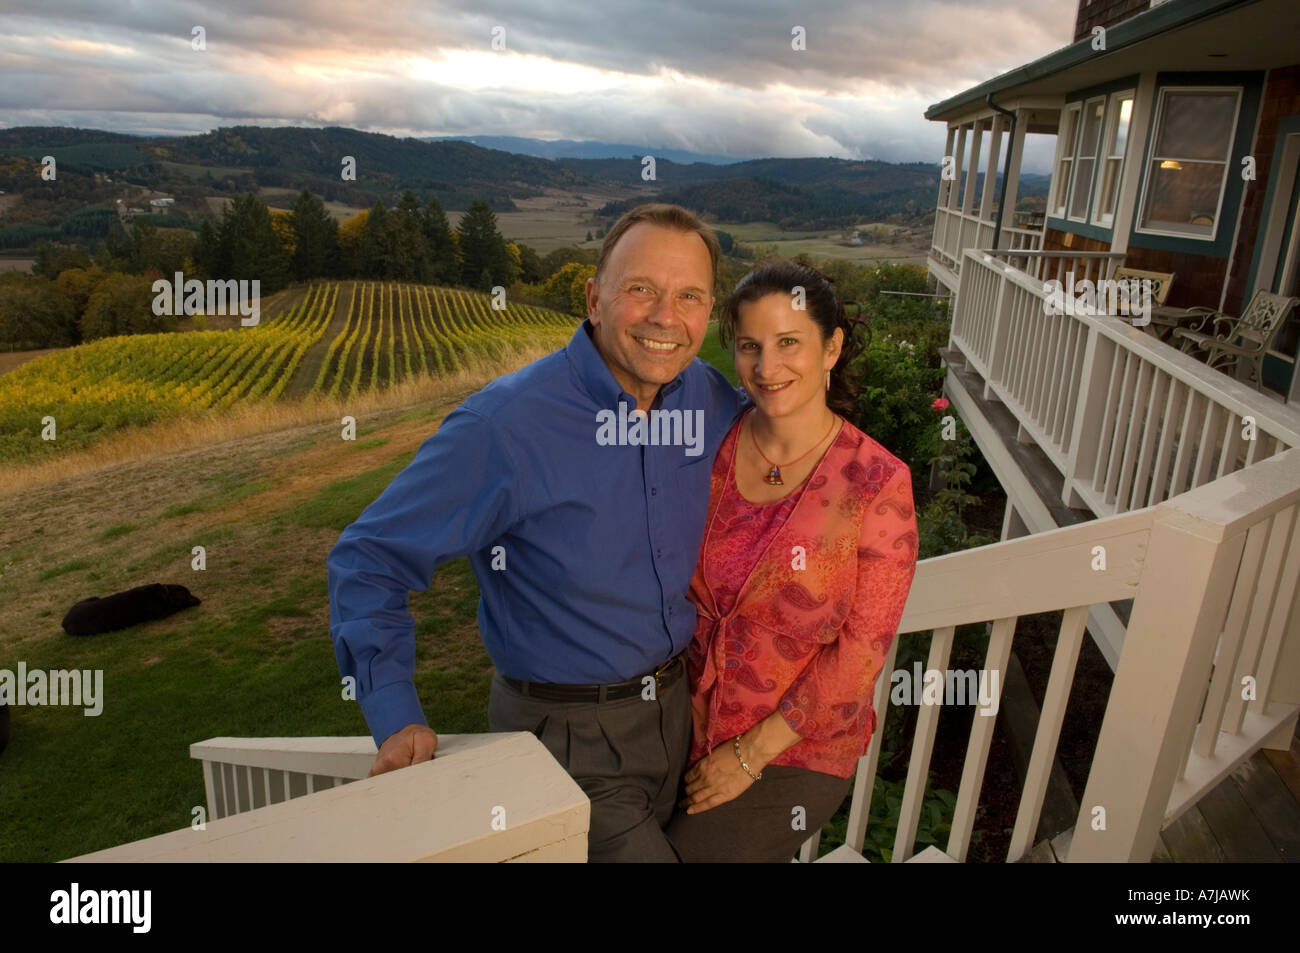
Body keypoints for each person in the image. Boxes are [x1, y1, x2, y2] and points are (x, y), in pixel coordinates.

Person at [327, 203, 746, 862]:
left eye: (689, 295)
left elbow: (789, 441)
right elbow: (369, 557)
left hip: (682, 714)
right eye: (641, 289)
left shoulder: (707, 396)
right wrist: (394, 707)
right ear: (594, 298)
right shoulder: (506, 426)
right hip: (566, 738)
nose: (667, 316)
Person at [664, 260, 919, 862]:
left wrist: (748, 756)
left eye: (788, 344)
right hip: (680, 718)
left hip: (792, 749)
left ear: (831, 349)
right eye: (750, 346)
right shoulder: (713, 443)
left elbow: (861, 653)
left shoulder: (877, 484)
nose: (766, 367)